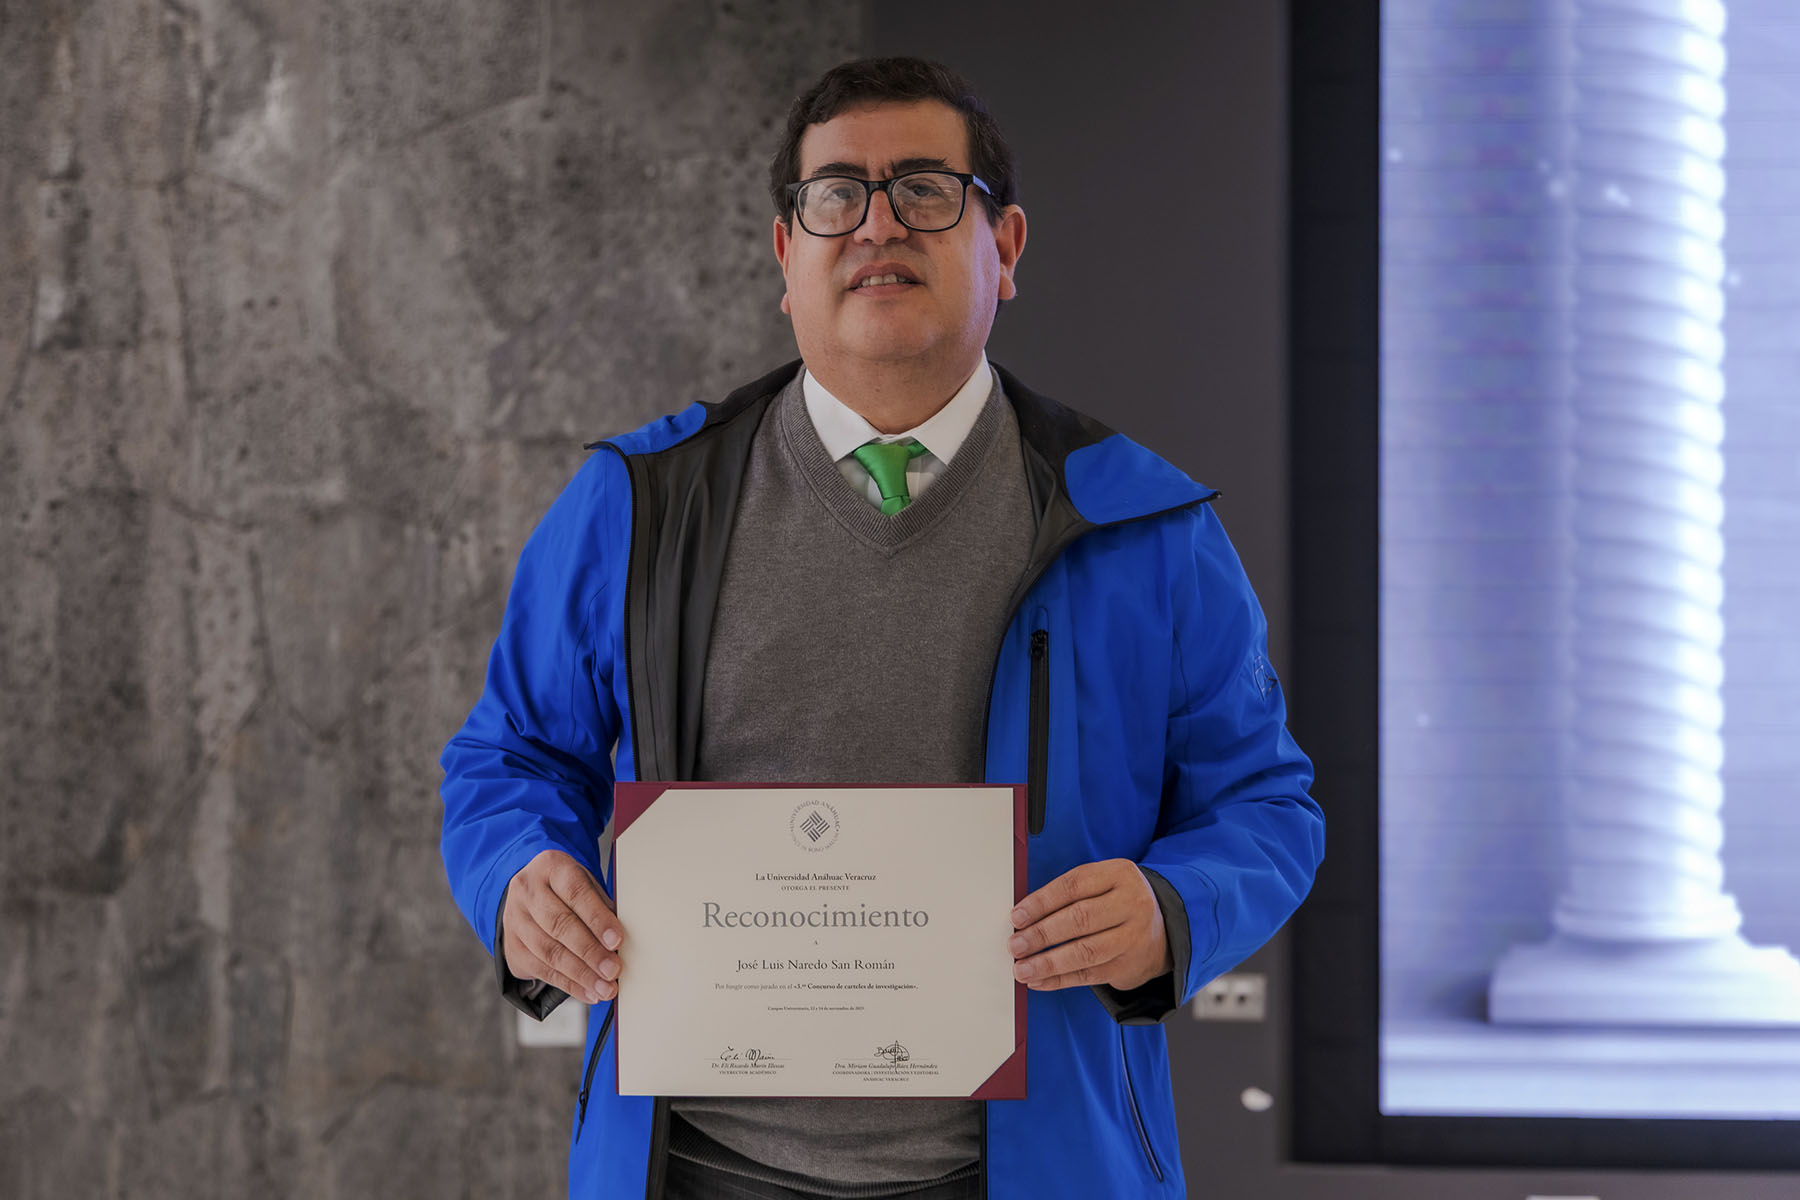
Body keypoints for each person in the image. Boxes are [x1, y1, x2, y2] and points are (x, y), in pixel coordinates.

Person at [441, 56, 1323, 1200]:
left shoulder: (1142, 525)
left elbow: (1266, 803)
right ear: (785, 256)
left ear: (1005, 247)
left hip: (1032, 1172)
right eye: (836, 195)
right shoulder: (637, 504)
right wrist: (517, 874)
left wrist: (1174, 909)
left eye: (925, 190)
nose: (876, 224)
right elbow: (509, 757)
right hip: (692, 1169)